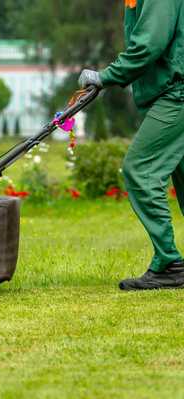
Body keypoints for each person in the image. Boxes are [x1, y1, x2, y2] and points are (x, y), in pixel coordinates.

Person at [79, 0, 184, 290]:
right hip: (173, 90)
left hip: (177, 94)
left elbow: (149, 45)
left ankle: (170, 265)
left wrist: (105, 76)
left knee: (141, 170)